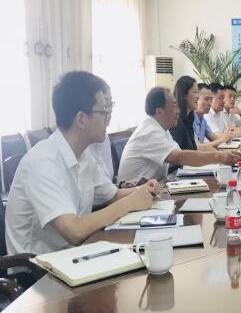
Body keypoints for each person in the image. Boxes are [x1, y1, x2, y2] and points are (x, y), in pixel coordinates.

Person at [5, 71, 158, 255]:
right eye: (103, 111)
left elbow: (114, 195)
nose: (108, 119)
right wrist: (131, 203)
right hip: (37, 267)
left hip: (72, 255)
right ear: (81, 119)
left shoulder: (83, 156)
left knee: (148, 254)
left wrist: (144, 190)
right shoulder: (42, 161)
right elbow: (74, 231)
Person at [117, 87, 241, 186]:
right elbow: (179, 157)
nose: (178, 111)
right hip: (134, 196)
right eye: (174, 106)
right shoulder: (150, 132)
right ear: (159, 111)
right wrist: (218, 157)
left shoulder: (161, 129)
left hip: (152, 188)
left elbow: (181, 154)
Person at [87, 82, 115, 182]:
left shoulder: (103, 136)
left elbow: (107, 182)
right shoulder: (81, 145)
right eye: (104, 106)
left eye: (110, 104)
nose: (109, 111)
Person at [192, 82, 234, 148]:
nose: (210, 103)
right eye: (206, 99)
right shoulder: (190, 119)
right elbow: (197, 147)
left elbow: (214, 139)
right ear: (196, 99)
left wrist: (226, 138)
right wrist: (223, 139)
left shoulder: (203, 120)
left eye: (211, 99)